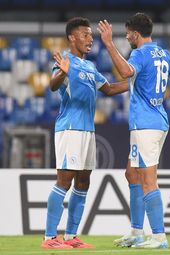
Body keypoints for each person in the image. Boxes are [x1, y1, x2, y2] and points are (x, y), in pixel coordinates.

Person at [97, 13, 170, 248]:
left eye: (127, 33)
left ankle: (159, 237)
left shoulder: (139, 53)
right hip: (158, 121)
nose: (126, 37)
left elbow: (126, 72)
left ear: (135, 33)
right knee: (132, 174)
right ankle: (137, 232)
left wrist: (108, 43)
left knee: (148, 180)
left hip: (145, 124)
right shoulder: (164, 53)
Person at [41, 17, 129, 249]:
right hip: (70, 128)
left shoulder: (90, 67)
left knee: (83, 182)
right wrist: (63, 72)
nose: (90, 39)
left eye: (91, 35)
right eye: (85, 35)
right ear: (72, 37)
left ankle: (71, 237)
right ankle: (49, 237)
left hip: (88, 131)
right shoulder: (65, 59)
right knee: (65, 180)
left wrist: (137, 82)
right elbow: (52, 85)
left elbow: (109, 89)